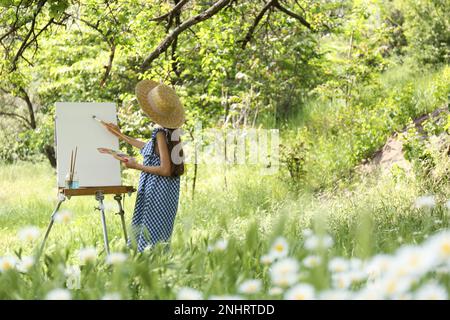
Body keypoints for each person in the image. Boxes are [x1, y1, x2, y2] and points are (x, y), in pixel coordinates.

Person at [99, 79, 185, 252]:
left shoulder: (159, 132)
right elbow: (149, 148)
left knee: (148, 238)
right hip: (168, 192)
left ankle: (145, 272)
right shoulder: (171, 132)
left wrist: (136, 165)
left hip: (157, 190)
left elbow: (165, 169)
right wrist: (120, 135)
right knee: (159, 238)